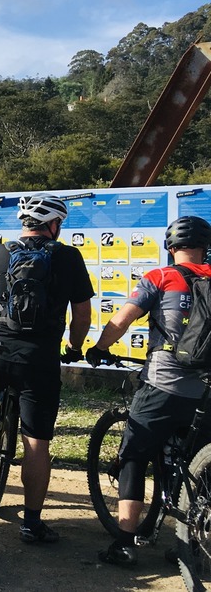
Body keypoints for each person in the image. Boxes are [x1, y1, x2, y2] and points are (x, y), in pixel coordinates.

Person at [0, 193, 93, 544]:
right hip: (39, 358)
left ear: (25, 224)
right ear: (53, 225)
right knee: (36, 440)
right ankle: (32, 523)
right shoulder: (68, 257)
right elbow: (82, 315)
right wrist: (73, 346)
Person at [88, 215, 211, 566]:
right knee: (200, 467)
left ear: (170, 246)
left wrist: (99, 349)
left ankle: (124, 543)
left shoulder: (161, 277)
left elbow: (122, 319)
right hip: (206, 391)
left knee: (134, 457)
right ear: (205, 247)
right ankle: (195, 544)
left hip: (164, 384)